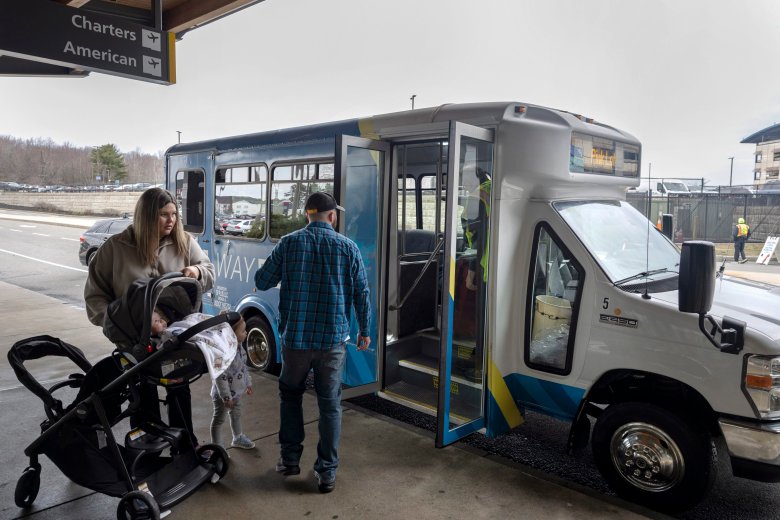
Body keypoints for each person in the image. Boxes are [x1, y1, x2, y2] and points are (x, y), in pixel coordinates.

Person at [254, 191, 371, 494]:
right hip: (333, 342)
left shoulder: (289, 243)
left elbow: (262, 281)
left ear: (307, 214)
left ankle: (290, 460)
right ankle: (327, 472)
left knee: (290, 396)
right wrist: (364, 331)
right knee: (330, 405)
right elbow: (362, 294)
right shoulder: (348, 248)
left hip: (296, 340)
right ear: (332, 216)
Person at [84, 187, 215, 443]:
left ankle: (186, 446)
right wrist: (116, 325)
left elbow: (209, 270)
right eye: (163, 215)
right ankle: (146, 450)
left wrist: (197, 272)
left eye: (174, 214)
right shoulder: (115, 249)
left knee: (179, 388)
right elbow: (95, 298)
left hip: (174, 338)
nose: (172, 220)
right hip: (135, 341)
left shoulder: (184, 242)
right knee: (142, 395)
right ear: (146, 216)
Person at [157, 311, 255, 450]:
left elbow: (243, 367)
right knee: (219, 419)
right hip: (223, 396)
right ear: (231, 334)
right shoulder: (223, 353)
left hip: (237, 391)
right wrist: (226, 397)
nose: (246, 333)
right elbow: (220, 377)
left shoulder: (239, 347)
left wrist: (248, 383)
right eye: (243, 331)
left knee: (236, 415)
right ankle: (218, 446)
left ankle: (237, 437)